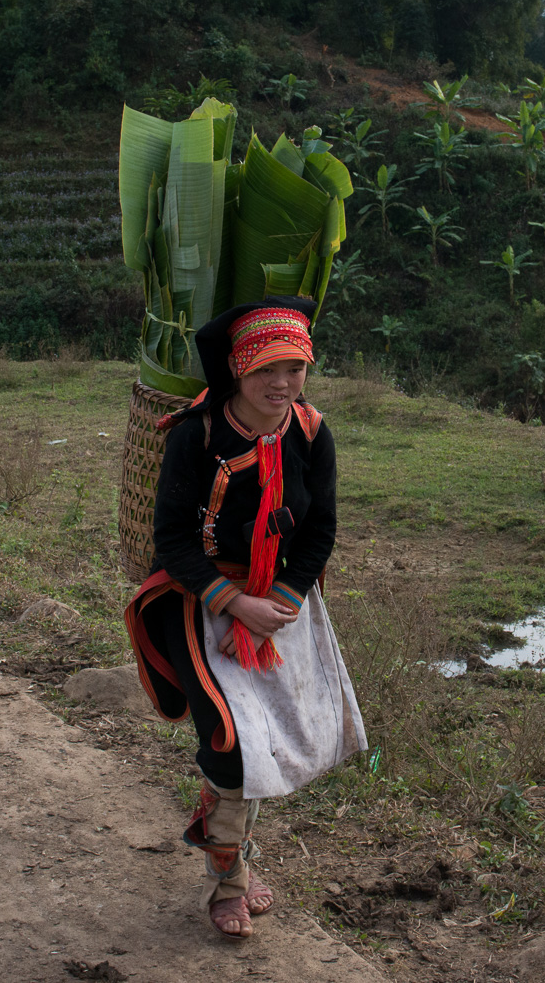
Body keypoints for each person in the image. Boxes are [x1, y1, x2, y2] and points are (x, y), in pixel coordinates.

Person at [123, 296, 367, 940]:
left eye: (296, 368)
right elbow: (173, 542)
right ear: (236, 369)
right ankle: (229, 882)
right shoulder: (194, 436)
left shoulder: (311, 434)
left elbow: (319, 533)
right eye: (266, 370)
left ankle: (229, 844)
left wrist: (280, 603)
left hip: (280, 602)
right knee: (231, 743)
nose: (282, 384)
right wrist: (236, 606)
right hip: (194, 595)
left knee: (266, 744)